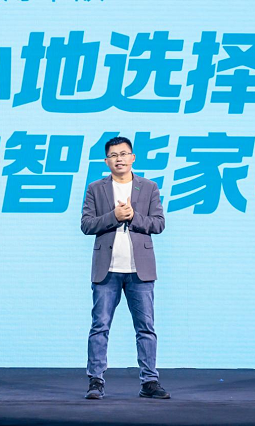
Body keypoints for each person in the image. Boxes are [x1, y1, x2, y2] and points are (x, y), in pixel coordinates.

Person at [81, 136, 170, 400]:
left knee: (145, 327)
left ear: (132, 158)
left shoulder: (149, 187)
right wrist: (114, 217)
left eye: (123, 154)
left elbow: (158, 224)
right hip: (106, 270)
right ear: (106, 161)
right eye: (113, 155)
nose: (119, 159)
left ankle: (149, 381)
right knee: (100, 326)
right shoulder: (95, 188)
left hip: (140, 270)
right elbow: (86, 224)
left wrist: (133, 217)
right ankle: (96, 381)